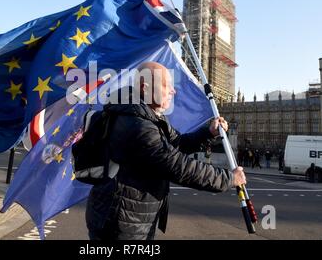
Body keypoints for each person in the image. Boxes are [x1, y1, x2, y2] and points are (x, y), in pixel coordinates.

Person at [85, 62, 246, 240]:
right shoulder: (138, 126)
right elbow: (178, 166)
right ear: (145, 87)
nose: (173, 91)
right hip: (122, 224)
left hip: (131, 217)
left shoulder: (147, 117)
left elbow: (178, 143)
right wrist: (229, 178)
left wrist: (208, 133)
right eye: (167, 85)